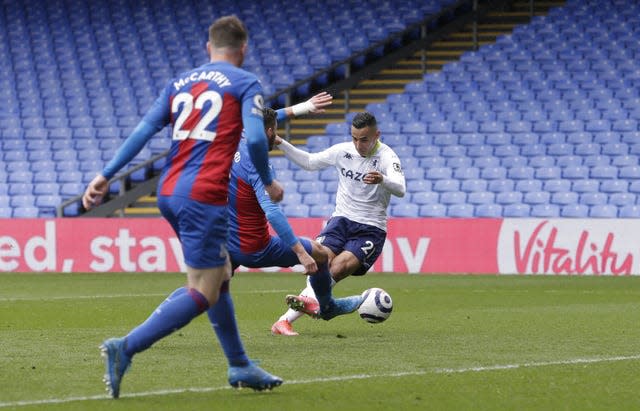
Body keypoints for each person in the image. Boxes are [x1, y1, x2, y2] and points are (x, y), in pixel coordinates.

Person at [82, 15, 284, 398]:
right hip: (204, 195)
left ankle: (239, 364)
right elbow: (257, 140)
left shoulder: (179, 84)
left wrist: (106, 174)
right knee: (204, 290)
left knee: (221, 272)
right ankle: (125, 347)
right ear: (243, 50)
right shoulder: (246, 82)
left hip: (170, 191)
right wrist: (269, 181)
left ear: (209, 48)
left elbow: (144, 130)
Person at [271, 111, 406, 335]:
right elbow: (309, 162)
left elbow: (400, 188)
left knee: (339, 267)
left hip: (370, 228)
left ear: (376, 135)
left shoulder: (387, 157)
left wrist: (383, 179)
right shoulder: (343, 151)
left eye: (364, 139)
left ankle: (288, 317)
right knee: (320, 262)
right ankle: (293, 318)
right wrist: (281, 142)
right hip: (341, 220)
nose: (358, 144)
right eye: (354, 138)